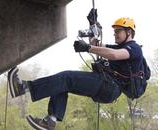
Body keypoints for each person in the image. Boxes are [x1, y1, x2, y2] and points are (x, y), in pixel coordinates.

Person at [8, 17, 144, 130]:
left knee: (66, 77)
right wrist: (93, 25)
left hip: (110, 87)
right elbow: (96, 44)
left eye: (118, 31)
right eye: (114, 31)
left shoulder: (134, 48)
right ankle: (50, 121)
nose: (115, 34)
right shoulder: (118, 46)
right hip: (106, 86)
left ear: (129, 32)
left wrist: (88, 48)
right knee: (61, 83)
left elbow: (114, 55)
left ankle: (23, 87)